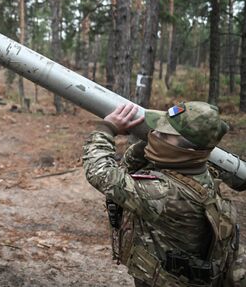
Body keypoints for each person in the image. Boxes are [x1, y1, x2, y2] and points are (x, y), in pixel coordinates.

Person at [82, 101, 244, 286]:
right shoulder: (197, 167)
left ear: (185, 150)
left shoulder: (164, 193)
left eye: (162, 134)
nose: (153, 134)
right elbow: (130, 167)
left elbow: (101, 173)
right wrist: (151, 142)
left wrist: (107, 128)